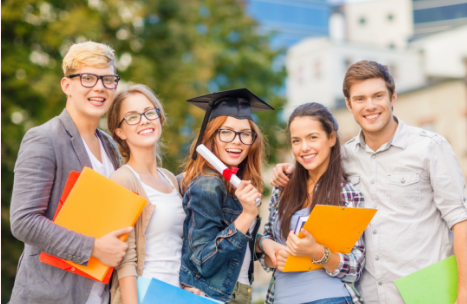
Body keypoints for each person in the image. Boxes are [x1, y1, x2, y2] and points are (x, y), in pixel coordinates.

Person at [271, 61, 467, 304]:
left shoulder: (430, 147)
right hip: (370, 295)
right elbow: (314, 166)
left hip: (428, 291)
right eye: (360, 99)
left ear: (392, 97)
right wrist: (290, 170)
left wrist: (464, 293)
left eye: (378, 96)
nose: (370, 106)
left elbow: (460, 221)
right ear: (349, 104)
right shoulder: (344, 157)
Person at [10, 41, 131, 303]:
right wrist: (94, 248)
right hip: (50, 295)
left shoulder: (110, 145)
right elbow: (24, 221)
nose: (99, 87)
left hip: (100, 295)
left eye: (108, 79)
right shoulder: (43, 138)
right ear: (67, 85)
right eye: (88, 78)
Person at [259, 103, 365, 304]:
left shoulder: (347, 194)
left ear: (331, 138)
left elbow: (355, 266)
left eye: (313, 137)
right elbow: (268, 247)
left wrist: (317, 252)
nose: (304, 148)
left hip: (329, 298)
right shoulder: (282, 189)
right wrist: (274, 256)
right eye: (296, 141)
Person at [106, 84, 203, 304]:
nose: (143, 120)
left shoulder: (169, 178)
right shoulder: (123, 179)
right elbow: (125, 259)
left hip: (177, 296)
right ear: (119, 131)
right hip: (146, 297)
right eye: (132, 117)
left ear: (160, 118)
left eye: (150, 112)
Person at [179, 88, 273, 303]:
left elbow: (230, 241)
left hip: (237, 292)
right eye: (226, 132)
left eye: (245, 134)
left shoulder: (232, 185)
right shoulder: (208, 185)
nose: (237, 141)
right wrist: (247, 215)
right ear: (210, 137)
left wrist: (262, 244)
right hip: (215, 295)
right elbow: (203, 261)